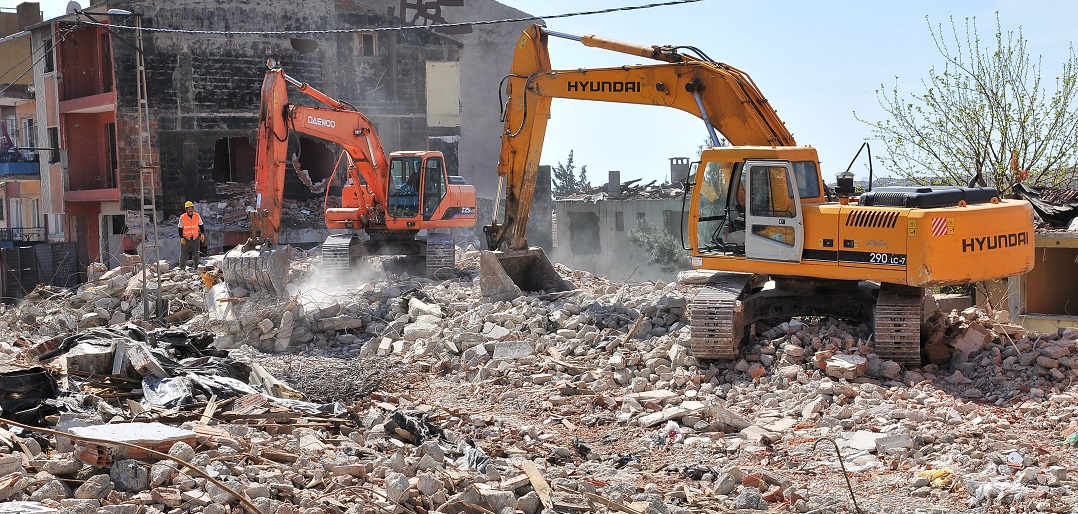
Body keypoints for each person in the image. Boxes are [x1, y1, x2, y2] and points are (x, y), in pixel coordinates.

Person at [178, 200, 205, 270]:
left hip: (195, 238)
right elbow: (180, 228)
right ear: (186, 209)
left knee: (196, 254)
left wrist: (202, 234)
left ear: (193, 208)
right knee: (184, 254)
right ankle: (181, 268)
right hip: (186, 239)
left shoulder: (197, 216)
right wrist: (181, 237)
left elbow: (201, 225)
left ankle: (196, 268)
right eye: (188, 208)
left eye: (191, 208)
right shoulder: (183, 217)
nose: (190, 210)